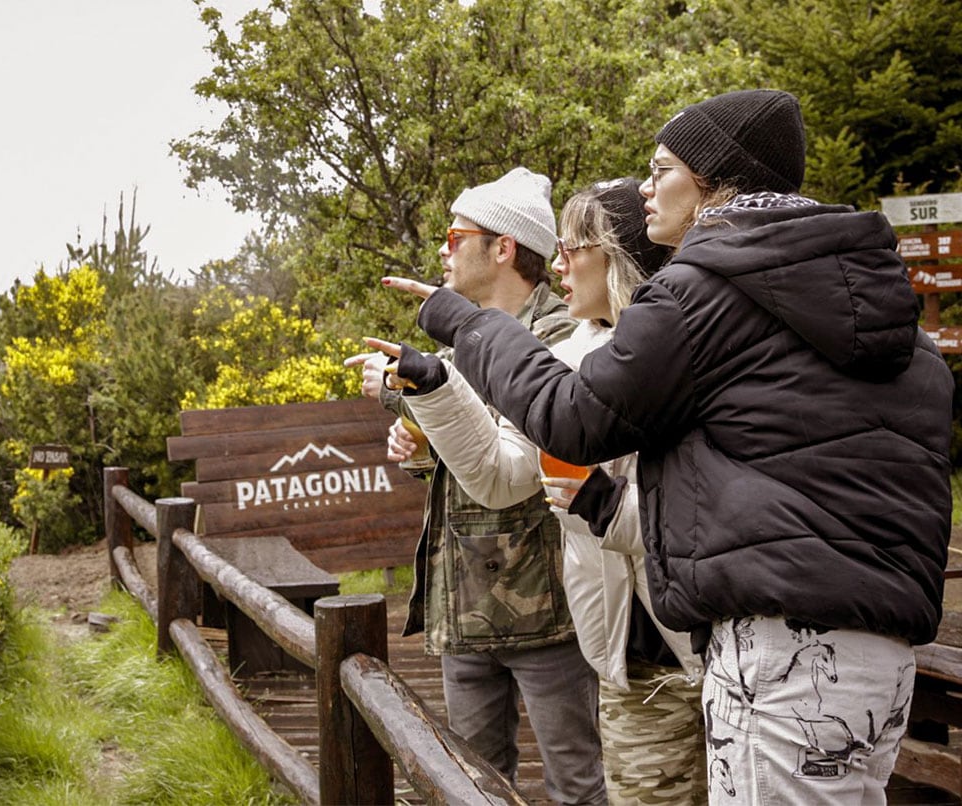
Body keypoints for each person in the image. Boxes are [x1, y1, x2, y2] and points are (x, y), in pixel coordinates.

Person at [380, 89, 953, 805]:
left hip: (778, 654)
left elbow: (573, 416)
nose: (644, 189)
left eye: (661, 169)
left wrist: (467, 324)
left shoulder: (705, 294)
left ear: (713, 179)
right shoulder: (880, 309)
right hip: (884, 656)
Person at [370, 177, 708, 803]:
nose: (559, 263)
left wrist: (601, 505)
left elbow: (708, 514)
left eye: (573, 245)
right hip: (622, 646)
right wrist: (433, 388)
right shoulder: (580, 349)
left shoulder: (674, 347)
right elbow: (501, 473)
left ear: (616, 256)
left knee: (579, 784)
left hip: (655, 633)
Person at [346, 167, 607, 805]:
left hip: (550, 609)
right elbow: (466, 442)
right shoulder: (464, 340)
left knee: (577, 784)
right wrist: (416, 440)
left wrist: (417, 398)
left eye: (454, 234)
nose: (443, 248)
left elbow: (512, 443)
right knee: (472, 787)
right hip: (464, 605)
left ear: (503, 248)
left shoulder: (564, 332)